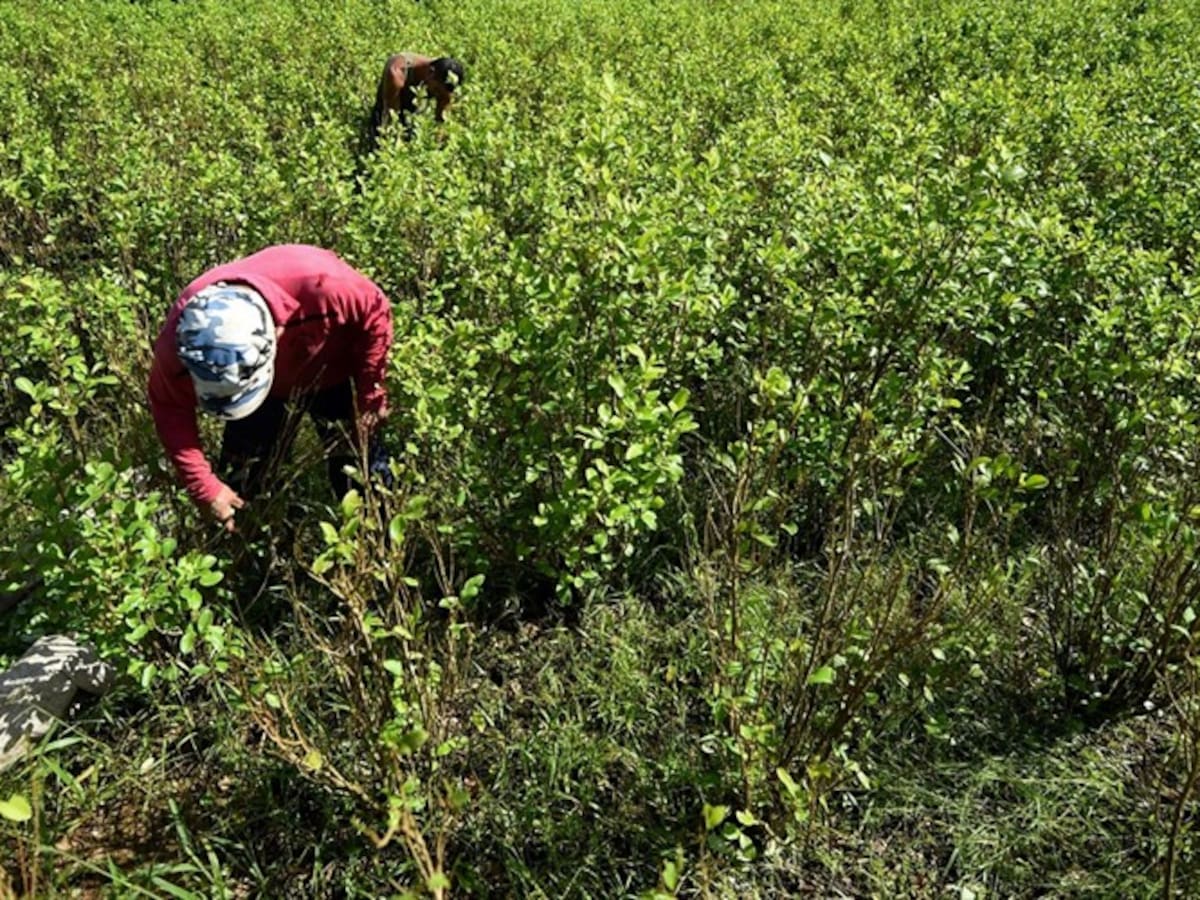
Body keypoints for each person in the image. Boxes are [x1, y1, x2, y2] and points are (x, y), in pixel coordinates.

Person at [148, 244, 394, 533]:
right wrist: (204, 487)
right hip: (263, 390)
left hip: (332, 370)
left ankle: (381, 544)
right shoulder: (184, 340)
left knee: (359, 471)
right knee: (245, 481)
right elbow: (168, 406)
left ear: (277, 333)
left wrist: (370, 394)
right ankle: (254, 549)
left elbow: (376, 313)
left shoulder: (326, 285)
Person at [368, 52, 465, 146]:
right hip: (390, 102)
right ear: (430, 72)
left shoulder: (445, 82)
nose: (438, 95)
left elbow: (441, 120)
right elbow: (390, 115)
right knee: (378, 136)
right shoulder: (396, 73)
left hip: (414, 111)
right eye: (436, 90)